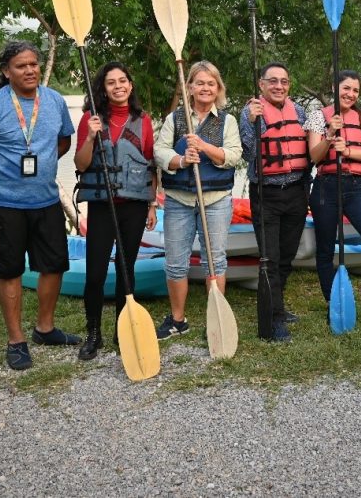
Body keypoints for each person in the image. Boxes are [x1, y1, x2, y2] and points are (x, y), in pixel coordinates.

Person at [0, 41, 79, 371]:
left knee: (54, 264)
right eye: (21, 66)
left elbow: (63, 141)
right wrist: (0, 176)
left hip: (46, 199)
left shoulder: (55, 100)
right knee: (9, 269)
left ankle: (45, 328)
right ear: (6, 71)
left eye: (34, 64)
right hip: (3, 203)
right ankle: (16, 341)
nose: (30, 70)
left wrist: (42, 163)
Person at [73, 62, 158, 360]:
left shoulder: (143, 120)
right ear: (104, 88)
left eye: (123, 81)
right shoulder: (90, 119)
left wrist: (152, 204)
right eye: (111, 82)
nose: (118, 86)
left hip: (134, 207)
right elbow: (81, 164)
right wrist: (90, 137)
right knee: (95, 273)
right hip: (102, 207)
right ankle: (93, 333)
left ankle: (123, 331)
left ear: (130, 85)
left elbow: (150, 165)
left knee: (126, 270)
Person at [154, 61, 243, 339]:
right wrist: (181, 160)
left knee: (214, 261)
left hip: (215, 200)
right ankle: (177, 320)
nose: (206, 88)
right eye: (200, 83)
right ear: (189, 87)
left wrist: (204, 147)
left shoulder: (227, 121)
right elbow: (159, 151)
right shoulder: (176, 119)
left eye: (211, 83)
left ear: (218, 89)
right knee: (175, 262)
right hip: (179, 200)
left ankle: (215, 319)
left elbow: (234, 155)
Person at [305, 70, 361, 327]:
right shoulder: (318, 116)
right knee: (325, 249)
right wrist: (330, 135)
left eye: (355, 90)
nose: (351, 94)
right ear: (335, 88)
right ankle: (333, 301)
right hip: (325, 188)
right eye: (346, 88)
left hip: (355, 188)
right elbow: (315, 156)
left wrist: (348, 150)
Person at [240, 62, 310, 342]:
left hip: (295, 192)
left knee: (287, 256)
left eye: (284, 81)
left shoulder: (300, 112)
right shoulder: (250, 112)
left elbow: (308, 148)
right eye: (273, 81)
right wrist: (254, 123)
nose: (279, 86)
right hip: (266, 193)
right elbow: (249, 154)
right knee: (269, 258)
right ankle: (275, 318)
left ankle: (275, 303)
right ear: (261, 84)